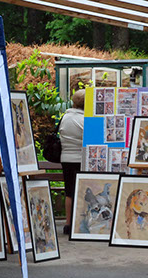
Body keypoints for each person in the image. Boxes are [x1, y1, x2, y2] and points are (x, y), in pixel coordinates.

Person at [59, 89, 85, 235]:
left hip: (66, 159)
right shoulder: (85, 119)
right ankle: (80, 223)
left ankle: (68, 223)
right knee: (83, 191)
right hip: (81, 159)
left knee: (69, 191)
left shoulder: (65, 117)